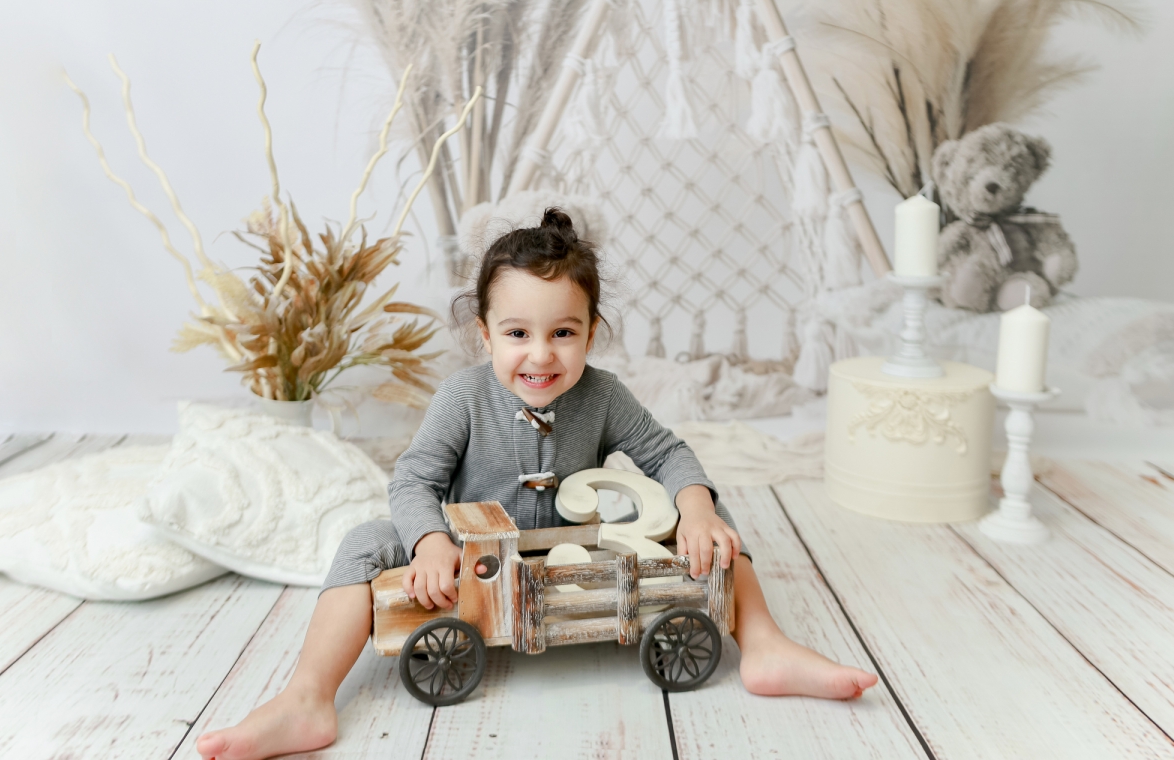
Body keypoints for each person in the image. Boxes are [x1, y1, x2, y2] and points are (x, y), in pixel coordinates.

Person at [196, 208, 878, 760]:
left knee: (711, 518)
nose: (541, 354)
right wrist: (430, 542)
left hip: (573, 546)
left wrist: (696, 509)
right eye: (518, 332)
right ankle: (308, 696)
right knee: (365, 542)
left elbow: (667, 452)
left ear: (591, 333)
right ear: (484, 334)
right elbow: (413, 479)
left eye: (563, 333)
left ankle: (763, 645)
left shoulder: (603, 396)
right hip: (471, 550)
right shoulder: (464, 398)